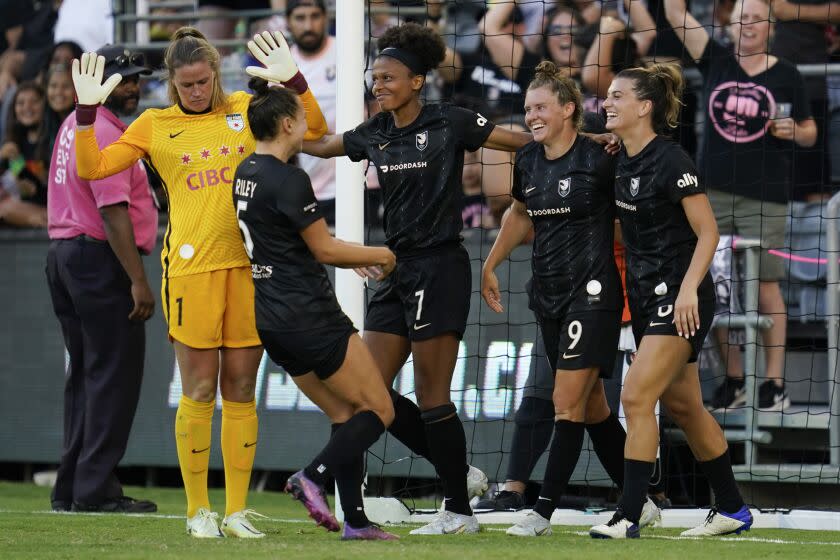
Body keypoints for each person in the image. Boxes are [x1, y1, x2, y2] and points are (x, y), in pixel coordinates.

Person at [70, 28, 327, 538]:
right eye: (186, 85)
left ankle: (235, 512)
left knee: (240, 389)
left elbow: (313, 133)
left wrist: (296, 83)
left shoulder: (243, 110)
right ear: (171, 83)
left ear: (216, 73)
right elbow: (93, 167)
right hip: (189, 273)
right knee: (201, 388)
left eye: (204, 81)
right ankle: (196, 512)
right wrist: (85, 116)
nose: (196, 92)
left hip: (249, 270)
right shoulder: (153, 125)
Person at [302, 21, 536, 535]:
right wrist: (292, 88)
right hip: (393, 270)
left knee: (433, 397)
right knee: (369, 395)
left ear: (417, 81)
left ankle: (459, 510)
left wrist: (579, 141)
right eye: (373, 78)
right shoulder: (373, 132)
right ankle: (461, 476)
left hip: (441, 266)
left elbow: (517, 140)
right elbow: (317, 145)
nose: (377, 85)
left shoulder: (450, 121)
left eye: (387, 78)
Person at [481, 61, 658, 537]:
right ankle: (641, 499)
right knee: (594, 407)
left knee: (564, 404)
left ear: (569, 109)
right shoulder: (529, 161)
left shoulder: (602, 156)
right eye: (527, 109)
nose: (532, 116)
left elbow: (636, 203)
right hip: (548, 295)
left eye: (541, 107)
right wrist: (490, 263)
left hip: (594, 294)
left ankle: (541, 513)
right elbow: (520, 213)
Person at [588, 63, 752, 539]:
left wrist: (686, 292)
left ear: (645, 107)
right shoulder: (620, 159)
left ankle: (629, 514)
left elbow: (709, 231)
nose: (607, 103)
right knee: (685, 408)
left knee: (636, 396)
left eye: (618, 97)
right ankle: (732, 509)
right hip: (644, 299)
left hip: (681, 297)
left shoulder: (671, 159)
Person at [234, 76, 399, 541]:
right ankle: (312, 475)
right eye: (303, 117)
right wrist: (380, 255)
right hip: (311, 316)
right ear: (287, 124)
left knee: (347, 415)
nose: (310, 123)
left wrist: (351, 253)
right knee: (379, 410)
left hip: (272, 321)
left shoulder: (245, 172)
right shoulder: (290, 178)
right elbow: (324, 250)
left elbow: (297, 244)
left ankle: (357, 522)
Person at [664, 0, 817, 412]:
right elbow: (675, 13)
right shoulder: (716, 58)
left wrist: (793, 130)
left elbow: (810, 132)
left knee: (766, 285)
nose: (747, 25)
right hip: (708, 195)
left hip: (765, 196)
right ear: (729, 26)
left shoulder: (786, 74)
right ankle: (735, 382)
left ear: (771, 27)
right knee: (711, 288)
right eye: (740, 19)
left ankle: (774, 385)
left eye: (756, 19)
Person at [45, 44, 157, 513]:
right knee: (112, 378)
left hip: (66, 255)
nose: (131, 87)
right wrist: (138, 280)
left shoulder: (77, 123)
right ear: (99, 82)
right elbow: (113, 213)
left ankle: (71, 486)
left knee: (87, 378)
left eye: (135, 78)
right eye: (121, 78)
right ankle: (95, 490)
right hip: (100, 257)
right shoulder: (106, 133)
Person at [287, 0, 338, 225]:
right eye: (300, 17)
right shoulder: (282, 63)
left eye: (315, 16)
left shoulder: (348, 52)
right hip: (305, 187)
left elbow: (376, 107)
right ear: (288, 22)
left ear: (326, 17)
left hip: (359, 182)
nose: (308, 25)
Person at [0, 81, 48, 227]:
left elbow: (46, 179)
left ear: (45, 106)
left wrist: (26, 168)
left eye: (34, 102)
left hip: (54, 209)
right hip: (29, 207)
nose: (27, 107)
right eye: (20, 103)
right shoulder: (15, 141)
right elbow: (27, 186)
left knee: (5, 209)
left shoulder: (53, 137)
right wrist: (5, 158)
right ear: (14, 109)